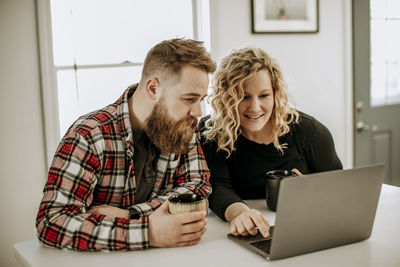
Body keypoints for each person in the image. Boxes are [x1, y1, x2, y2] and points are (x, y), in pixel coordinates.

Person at [36, 38, 216, 251]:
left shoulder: (183, 124)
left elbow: (198, 186)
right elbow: (51, 222)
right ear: (153, 88)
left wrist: (131, 215)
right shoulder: (88, 136)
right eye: (189, 99)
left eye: (201, 99)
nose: (198, 112)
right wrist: (147, 233)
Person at [200, 47, 342, 239]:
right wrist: (241, 214)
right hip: (246, 233)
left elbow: (339, 189)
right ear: (226, 98)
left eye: (264, 95)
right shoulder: (212, 131)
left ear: (276, 93)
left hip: (304, 229)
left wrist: (313, 190)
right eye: (243, 97)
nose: (255, 107)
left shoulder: (310, 132)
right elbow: (217, 186)